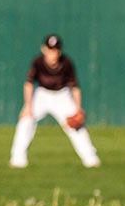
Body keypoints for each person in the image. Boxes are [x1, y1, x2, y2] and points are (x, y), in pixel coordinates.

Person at [9, 33, 100, 168]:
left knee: (76, 126)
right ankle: (17, 160)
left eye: (56, 49)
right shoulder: (38, 62)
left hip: (62, 96)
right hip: (42, 95)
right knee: (25, 121)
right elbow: (28, 84)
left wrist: (78, 108)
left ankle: (91, 160)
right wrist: (28, 106)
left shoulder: (66, 62)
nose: (53, 53)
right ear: (44, 49)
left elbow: (75, 87)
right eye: (50, 49)